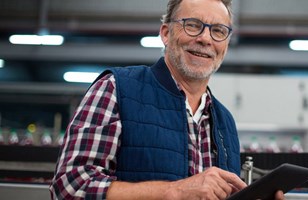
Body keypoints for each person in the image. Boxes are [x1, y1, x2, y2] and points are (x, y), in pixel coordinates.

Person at [49, 0, 285, 199]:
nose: (205, 39)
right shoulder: (116, 88)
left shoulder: (225, 121)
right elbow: (70, 186)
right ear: (165, 33)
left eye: (218, 31)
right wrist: (175, 191)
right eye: (192, 25)